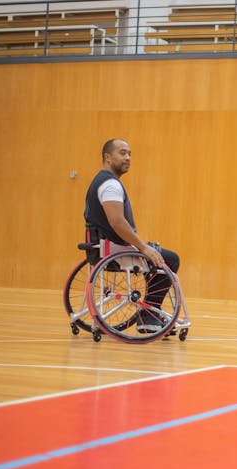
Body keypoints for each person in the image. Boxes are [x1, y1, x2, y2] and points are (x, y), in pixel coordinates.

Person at [84, 138, 180, 333]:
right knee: (169, 259)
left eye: (129, 154)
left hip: (104, 248)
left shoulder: (103, 181)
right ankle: (148, 316)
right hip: (116, 250)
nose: (128, 158)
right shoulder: (110, 185)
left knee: (156, 256)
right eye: (122, 153)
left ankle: (152, 313)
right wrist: (144, 247)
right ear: (107, 157)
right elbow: (117, 222)